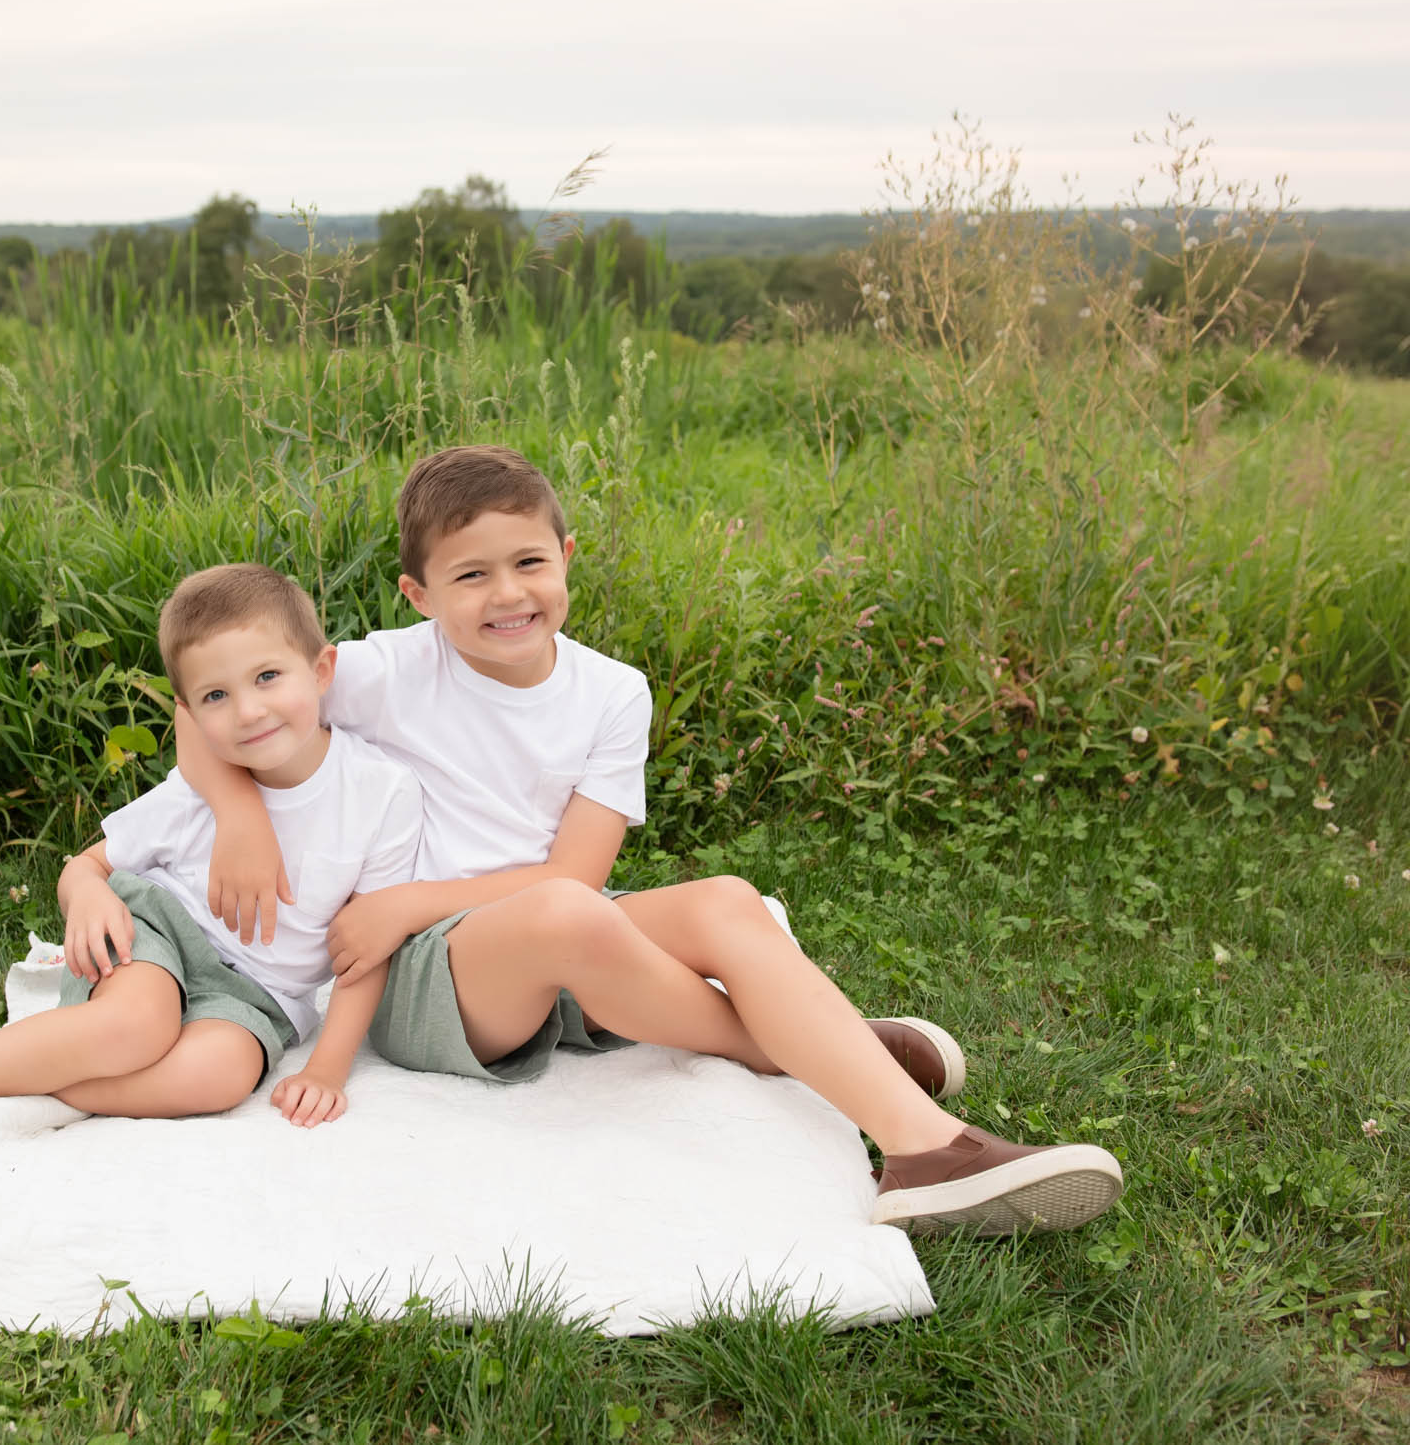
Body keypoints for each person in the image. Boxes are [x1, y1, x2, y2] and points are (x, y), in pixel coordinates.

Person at [173, 445, 1124, 1237]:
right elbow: (203, 705)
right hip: (424, 975)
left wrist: (405, 900)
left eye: (528, 563)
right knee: (563, 916)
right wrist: (246, 819)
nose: (507, 595)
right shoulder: (382, 671)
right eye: (470, 576)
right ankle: (845, 1076)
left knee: (726, 900)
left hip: (537, 923)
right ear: (419, 594)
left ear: (567, 556)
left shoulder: (611, 690)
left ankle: (913, 1142)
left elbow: (580, 877)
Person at [0, 563, 421, 1183]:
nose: (248, 711)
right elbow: (88, 865)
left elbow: (367, 947)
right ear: (189, 711)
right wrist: (89, 896)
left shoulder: (381, 794)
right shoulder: (201, 789)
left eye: (267, 677)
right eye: (216, 696)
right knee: (135, 1027)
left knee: (218, 1078)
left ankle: (0, 1060)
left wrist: (326, 1069)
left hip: (261, 998)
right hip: (156, 933)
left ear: (320, 672)